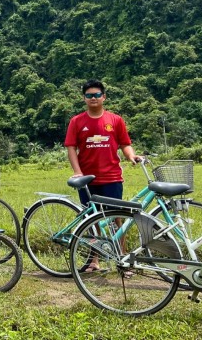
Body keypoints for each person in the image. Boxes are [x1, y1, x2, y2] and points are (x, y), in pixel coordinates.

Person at [65, 79, 141, 271]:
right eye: (89, 95)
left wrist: (131, 156)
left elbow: (125, 144)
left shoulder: (115, 120)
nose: (93, 98)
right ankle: (94, 260)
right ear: (84, 98)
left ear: (104, 97)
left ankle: (121, 258)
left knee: (117, 219)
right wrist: (77, 171)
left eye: (97, 95)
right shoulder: (77, 121)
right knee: (91, 220)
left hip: (112, 177)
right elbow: (71, 148)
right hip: (87, 180)